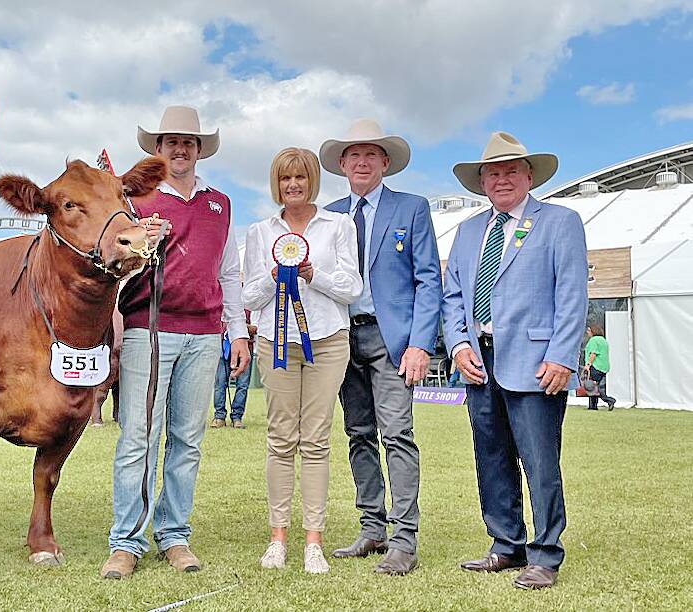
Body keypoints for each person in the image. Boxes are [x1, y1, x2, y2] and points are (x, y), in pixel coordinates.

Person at [102, 105, 250, 579]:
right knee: (137, 438)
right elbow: (111, 266)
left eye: (189, 141)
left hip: (205, 334)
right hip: (150, 327)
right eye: (171, 141)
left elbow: (228, 272)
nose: (180, 148)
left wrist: (238, 331)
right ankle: (126, 541)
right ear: (158, 149)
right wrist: (138, 242)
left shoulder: (220, 203)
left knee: (187, 440)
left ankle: (173, 534)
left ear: (200, 148)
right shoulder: (136, 200)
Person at [442, 131, 587, 590]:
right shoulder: (467, 232)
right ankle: (506, 544)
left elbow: (572, 295)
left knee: (540, 461)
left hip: (536, 361)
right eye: (492, 172)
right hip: (478, 362)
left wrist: (563, 355)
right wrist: (459, 345)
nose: (501, 179)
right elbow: (452, 298)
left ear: (529, 176)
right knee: (491, 457)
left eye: (510, 171)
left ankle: (545, 554)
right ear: (481, 181)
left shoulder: (560, 222)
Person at [320, 119, 442, 575]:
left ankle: (403, 540)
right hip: (339, 338)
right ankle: (372, 528)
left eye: (372, 154)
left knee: (397, 435)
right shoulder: (328, 215)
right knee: (357, 434)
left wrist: (420, 343)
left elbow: (429, 278)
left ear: (385, 163)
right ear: (342, 165)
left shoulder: (411, 209)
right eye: (354, 155)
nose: (363, 161)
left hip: (392, 341)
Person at [244, 147, 362, 573]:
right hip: (275, 342)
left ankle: (314, 540)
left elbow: (351, 287)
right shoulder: (260, 231)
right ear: (276, 184)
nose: (292, 185)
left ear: (313, 180)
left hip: (328, 341)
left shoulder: (339, 225)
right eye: (284, 179)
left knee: (315, 440)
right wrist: (273, 277)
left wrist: (315, 275)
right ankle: (277, 537)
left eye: (300, 177)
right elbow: (247, 296)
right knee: (280, 440)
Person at [211, 313, 255, 429]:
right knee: (219, 384)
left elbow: (256, 328)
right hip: (223, 348)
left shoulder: (251, 305)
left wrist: (240, 327)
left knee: (242, 385)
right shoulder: (223, 304)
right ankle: (219, 417)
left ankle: (237, 417)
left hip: (245, 351)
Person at [583, 323, 616, 410]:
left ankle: (609, 400)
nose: (587, 332)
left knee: (592, 387)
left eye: (589, 330)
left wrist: (588, 365)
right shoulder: (603, 340)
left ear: (593, 331)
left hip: (595, 367)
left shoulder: (594, 340)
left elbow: (593, 353)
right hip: (604, 367)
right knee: (597, 387)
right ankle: (593, 406)